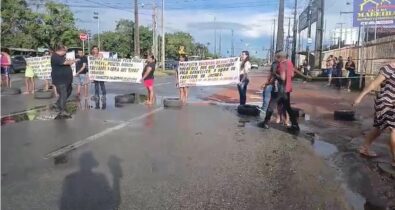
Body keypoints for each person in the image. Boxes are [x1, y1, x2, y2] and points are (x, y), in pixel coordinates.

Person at [353, 63, 395, 168]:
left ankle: (364, 148)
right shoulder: (390, 67)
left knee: (378, 129)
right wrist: (360, 97)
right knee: (394, 129)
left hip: (390, 103)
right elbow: (374, 84)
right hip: (386, 102)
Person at [259, 51, 299, 132]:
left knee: (271, 105)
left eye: (277, 57)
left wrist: (275, 74)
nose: (276, 59)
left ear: (281, 57)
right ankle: (295, 125)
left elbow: (283, 78)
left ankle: (265, 122)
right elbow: (292, 75)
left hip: (279, 89)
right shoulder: (290, 63)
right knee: (288, 107)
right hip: (287, 89)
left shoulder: (281, 64)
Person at [51, 44, 76, 117]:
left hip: (66, 79)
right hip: (60, 79)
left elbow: (67, 61)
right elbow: (66, 62)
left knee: (69, 91)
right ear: (61, 50)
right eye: (65, 50)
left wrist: (71, 60)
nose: (66, 52)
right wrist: (72, 61)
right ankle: (62, 110)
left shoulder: (61, 56)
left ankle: (57, 104)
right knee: (63, 94)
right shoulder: (55, 56)